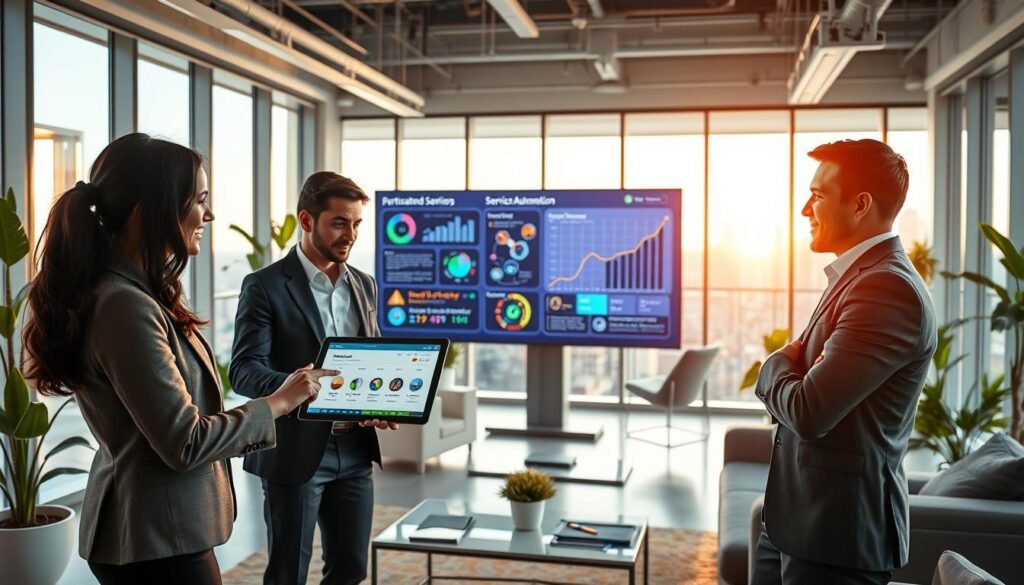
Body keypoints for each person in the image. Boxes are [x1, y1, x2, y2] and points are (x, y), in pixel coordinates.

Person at [22, 133, 335, 585]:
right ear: (148, 212)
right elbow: (184, 441)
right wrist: (281, 401)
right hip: (153, 540)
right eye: (200, 200)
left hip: (159, 533)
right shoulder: (123, 305)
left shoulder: (135, 292)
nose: (209, 214)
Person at [751, 139, 937, 585]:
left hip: (836, 540)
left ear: (860, 205)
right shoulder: (857, 276)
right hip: (797, 521)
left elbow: (810, 411)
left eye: (817, 195)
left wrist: (771, 366)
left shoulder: (885, 290)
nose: (804, 210)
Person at [230, 171, 394, 585]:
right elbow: (244, 370)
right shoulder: (264, 286)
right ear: (306, 220)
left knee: (352, 569)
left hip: (354, 449)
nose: (351, 234)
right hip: (295, 450)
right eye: (339, 222)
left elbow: (369, 360)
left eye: (357, 223)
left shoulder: (365, 284)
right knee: (288, 573)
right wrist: (293, 385)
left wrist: (379, 404)